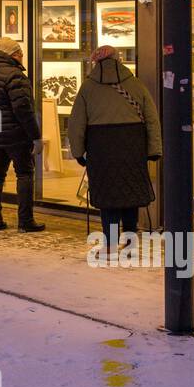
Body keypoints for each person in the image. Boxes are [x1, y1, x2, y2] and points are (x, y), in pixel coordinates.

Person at [67, 45, 161, 253]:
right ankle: (130, 243)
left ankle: (109, 244)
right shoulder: (135, 84)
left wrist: (78, 152)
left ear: (96, 63)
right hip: (132, 145)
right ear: (118, 60)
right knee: (130, 193)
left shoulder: (87, 88)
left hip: (101, 147)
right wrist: (154, 149)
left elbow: (76, 124)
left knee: (108, 196)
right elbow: (152, 119)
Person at [0, 36, 45, 232]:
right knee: (24, 174)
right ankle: (25, 221)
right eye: (21, 54)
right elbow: (24, 110)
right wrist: (35, 136)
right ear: (14, 55)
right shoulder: (15, 76)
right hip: (16, 135)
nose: (22, 57)